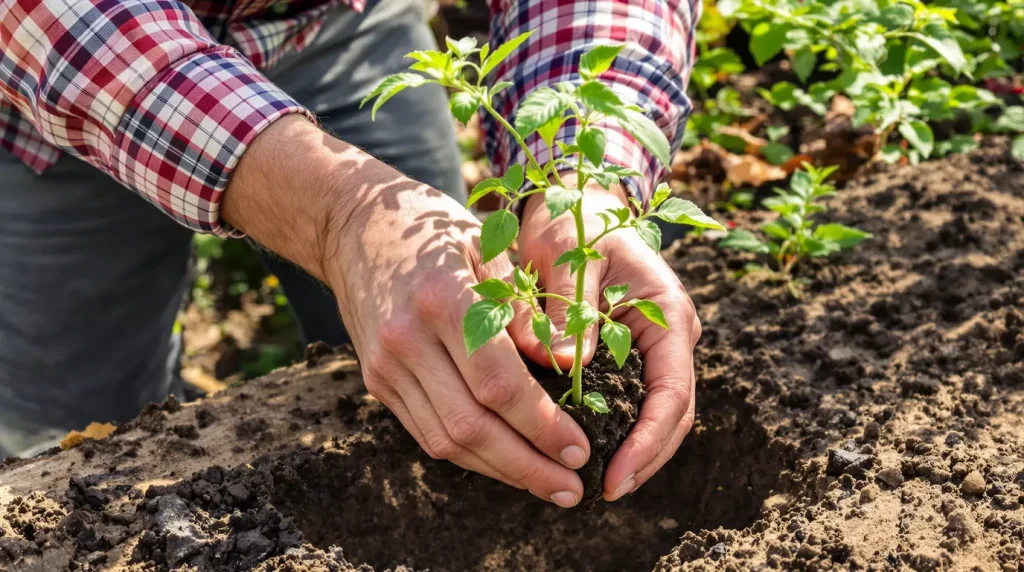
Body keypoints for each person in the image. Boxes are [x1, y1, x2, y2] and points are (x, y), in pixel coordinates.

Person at [0, 0, 702, 509]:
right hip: (57, 71)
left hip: (335, 22)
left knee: (438, 354)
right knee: (73, 446)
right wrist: (343, 215)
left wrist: (582, 177)